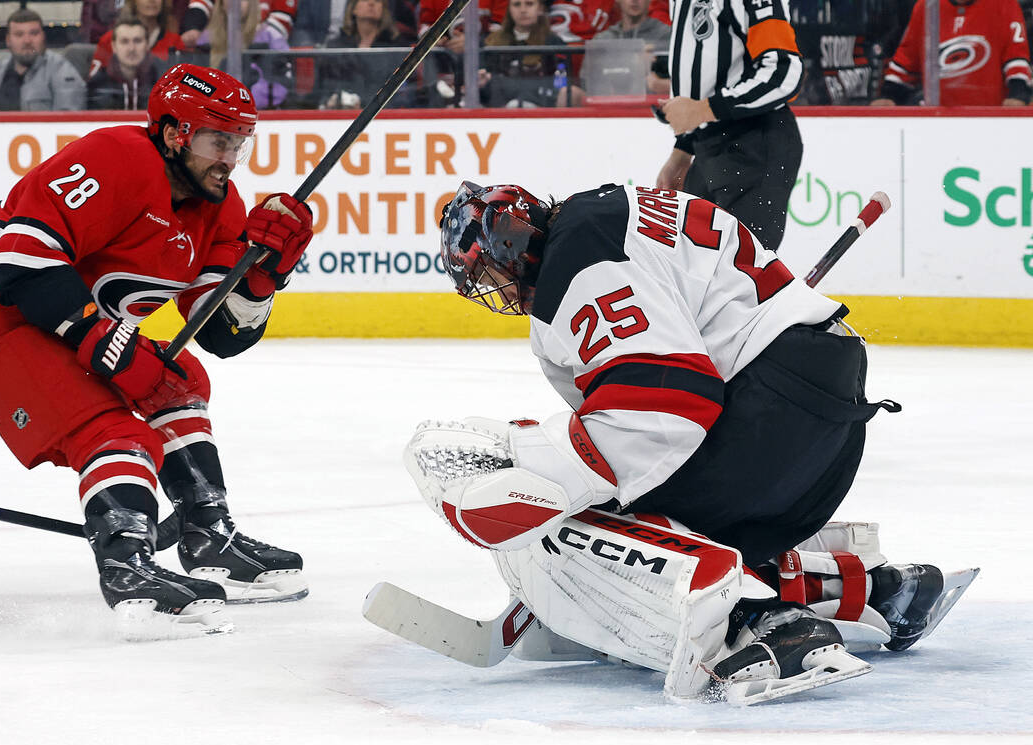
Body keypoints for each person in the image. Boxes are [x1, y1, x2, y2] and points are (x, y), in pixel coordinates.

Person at [411, 180, 974, 700]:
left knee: (601, 519)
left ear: (512, 248)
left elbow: (668, 404)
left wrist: (549, 477)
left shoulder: (575, 259)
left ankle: (757, 624)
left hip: (768, 418)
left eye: (489, 275)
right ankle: (880, 592)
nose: (495, 291)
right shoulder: (604, 212)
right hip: (818, 413)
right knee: (651, 506)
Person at [0, 65, 314, 633]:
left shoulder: (220, 206)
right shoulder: (117, 158)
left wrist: (261, 278)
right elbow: (22, 264)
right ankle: (129, 570)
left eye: (238, 143)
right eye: (217, 140)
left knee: (178, 377)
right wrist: (107, 343)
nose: (229, 158)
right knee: (115, 432)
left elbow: (221, 335)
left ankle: (207, 532)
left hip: (51, 323)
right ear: (176, 133)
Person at [654, 0, 804, 251]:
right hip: (707, 146)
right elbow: (703, 78)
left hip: (754, 143)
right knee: (694, 269)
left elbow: (783, 72)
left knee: (740, 273)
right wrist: (682, 152)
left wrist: (702, 110)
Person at [870, 0, 1032, 107]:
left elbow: (1016, 56)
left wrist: (1018, 94)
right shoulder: (927, 7)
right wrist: (888, 95)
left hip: (989, 118)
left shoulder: (1004, 4)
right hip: (938, 119)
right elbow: (906, 61)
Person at [0, 9, 86, 111]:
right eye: (19, 34)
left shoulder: (61, 70)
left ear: (43, 37)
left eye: (34, 33)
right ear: (8, 40)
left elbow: (68, 121)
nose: (27, 41)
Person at [479, 0, 580, 108]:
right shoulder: (490, 43)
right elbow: (483, 84)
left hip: (542, 109)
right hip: (497, 111)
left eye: (529, 4)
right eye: (517, 4)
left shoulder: (554, 42)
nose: (523, 10)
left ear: (540, 8)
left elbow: (560, 83)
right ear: (509, 9)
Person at [320, 0, 418, 109]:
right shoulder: (336, 47)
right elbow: (327, 87)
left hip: (384, 113)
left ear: (383, 9)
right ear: (353, 8)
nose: (371, 3)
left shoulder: (397, 46)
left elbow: (403, 90)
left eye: (377, 1)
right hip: (342, 113)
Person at [584, 0, 671, 96]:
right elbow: (586, 81)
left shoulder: (666, 35)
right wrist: (634, 63)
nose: (634, 1)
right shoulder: (602, 39)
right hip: (610, 104)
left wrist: (659, 83)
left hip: (653, 104)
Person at [89, 0, 187, 80]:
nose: (151, 1)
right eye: (124, 42)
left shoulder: (175, 42)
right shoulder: (109, 40)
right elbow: (94, 83)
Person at [87, 16, 167, 109]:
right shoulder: (97, 84)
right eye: (124, 41)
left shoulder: (162, 81)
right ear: (114, 46)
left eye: (137, 41)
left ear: (147, 45)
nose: (131, 48)